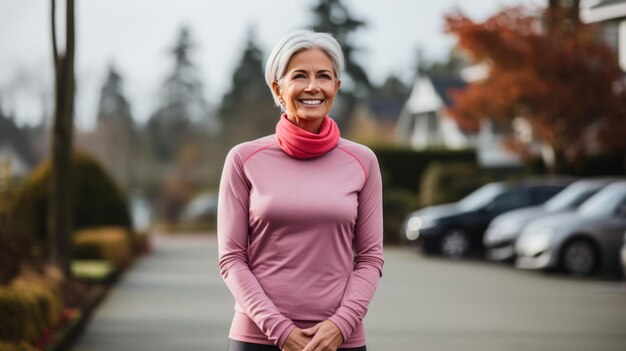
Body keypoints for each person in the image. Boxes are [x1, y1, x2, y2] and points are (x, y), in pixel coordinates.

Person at [217, 29, 384, 351]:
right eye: (300, 76)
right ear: (277, 88)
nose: (313, 87)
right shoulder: (244, 158)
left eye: (324, 76)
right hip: (258, 337)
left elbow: (370, 258)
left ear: (336, 86)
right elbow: (231, 258)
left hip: (340, 339)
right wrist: (280, 329)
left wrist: (341, 324)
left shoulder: (363, 161)